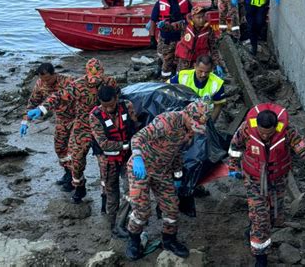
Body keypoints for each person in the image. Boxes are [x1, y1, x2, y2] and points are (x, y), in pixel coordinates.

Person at [227, 103, 305, 267]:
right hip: (253, 180)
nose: (265, 137)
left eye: (269, 133)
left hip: (278, 180)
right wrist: (233, 166)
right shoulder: (246, 129)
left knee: (274, 217)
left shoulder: (287, 132)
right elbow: (235, 146)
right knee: (261, 219)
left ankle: (253, 228)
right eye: (262, 133)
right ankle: (261, 258)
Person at [126, 101, 210, 260]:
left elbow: (177, 151)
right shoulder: (166, 121)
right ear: (187, 115)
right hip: (141, 168)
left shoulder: (189, 129)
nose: (196, 128)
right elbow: (137, 138)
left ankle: (169, 240)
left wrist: (177, 175)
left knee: (172, 206)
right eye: (195, 124)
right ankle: (134, 240)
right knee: (142, 211)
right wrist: (137, 157)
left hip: (162, 170)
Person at [27, 58, 117, 204]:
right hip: (83, 125)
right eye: (92, 78)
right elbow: (58, 97)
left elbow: (117, 100)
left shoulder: (110, 82)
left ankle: (107, 195)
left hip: (104, 125)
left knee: (106, 163)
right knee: (76, 159)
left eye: (98, 78)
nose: (94, 82)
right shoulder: (78, 85)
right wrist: (41, 109)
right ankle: (79, 185)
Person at [89, 85, 138, 238]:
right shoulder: (95, 116)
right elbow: (103, 143)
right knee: (112, 193)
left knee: (130, 190)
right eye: (105, 106)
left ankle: (122, 222)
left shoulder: (127, 106)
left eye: (111, 105)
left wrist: (134, 146)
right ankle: (112, 225)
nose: (108, 109)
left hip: (126, 157)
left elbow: (135, 127)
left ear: (116, 99)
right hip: (107, 160)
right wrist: (125, 144)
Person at [20, 63, 75, 191]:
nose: (46, 82)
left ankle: (75, 179)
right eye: (43, 79)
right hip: (61, 119)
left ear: (54, 74)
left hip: (75, 119)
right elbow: (33, 102)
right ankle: (68, 173)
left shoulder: (68, 81)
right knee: (60, 148)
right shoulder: (40, 84)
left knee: (74, 150)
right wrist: (25, 120)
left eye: (48, 79)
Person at [149, 0, 192, 79]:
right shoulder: (159, 4)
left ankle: (179, 79)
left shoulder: (184, 1)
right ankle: (165, 79)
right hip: (167, 38)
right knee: (167, 60)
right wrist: (152, 37)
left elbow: (191, 16)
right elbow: (153, 20)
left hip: (181, 37)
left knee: (182, 59)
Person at [168, 55, 226, 122]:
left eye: (207, 72)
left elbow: (218, 105)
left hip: (203, 117)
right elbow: (166, 88)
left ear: (211, 69)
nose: (203, 75)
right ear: (195, 66)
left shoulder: (217, 83)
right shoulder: (183, 76)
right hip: (182, 113)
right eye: (200, 71)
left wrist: (210, 123)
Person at [173, 6, 224, 74]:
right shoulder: (184, 25)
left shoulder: (209, 30)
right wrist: (163, 25)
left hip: (198, 62)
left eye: (203, 16)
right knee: (181, 78)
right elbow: (171, 27)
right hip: (184, 61)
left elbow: (213, 49)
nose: (201, 20)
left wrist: (217, 64)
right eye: (198, 17)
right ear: (193, 18)